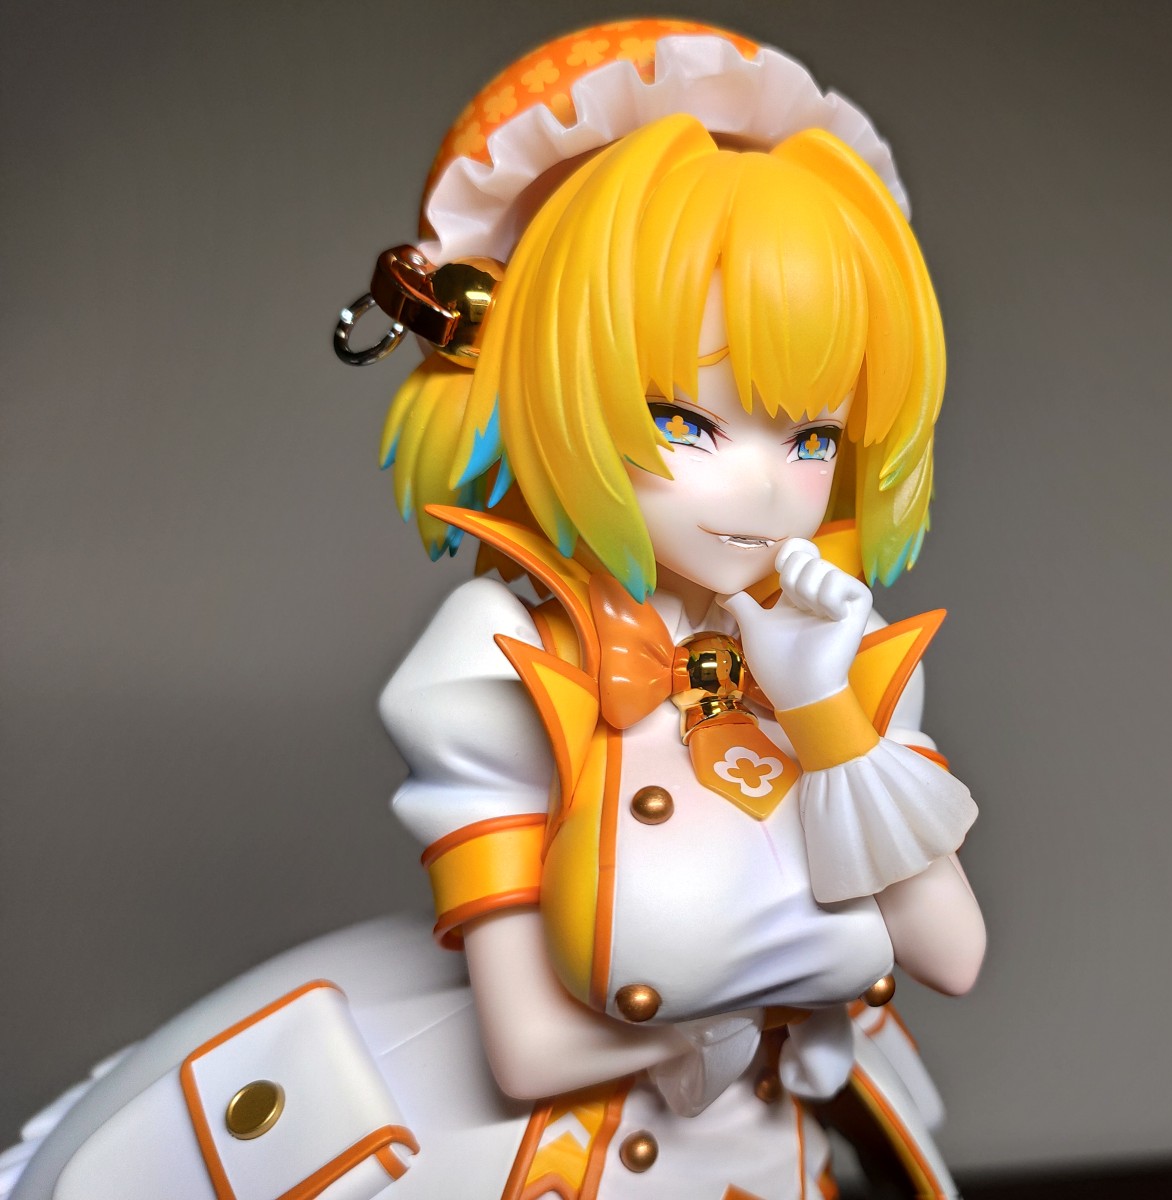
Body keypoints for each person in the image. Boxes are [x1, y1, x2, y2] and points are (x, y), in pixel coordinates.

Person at [4, 21, 983, 1200]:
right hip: (568, 1158)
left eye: (812, 436)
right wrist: (746, 1012)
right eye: (685, 420)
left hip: (764, 1149)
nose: (766, 487)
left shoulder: (831, 643)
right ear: (555, 392)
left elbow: (951, 953)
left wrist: (823, 709)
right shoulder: (495, 660)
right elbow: (530, 1050)